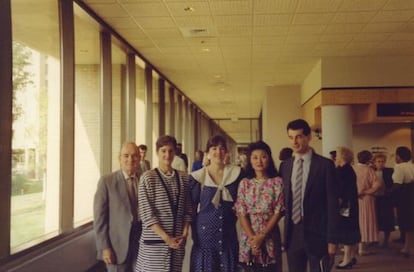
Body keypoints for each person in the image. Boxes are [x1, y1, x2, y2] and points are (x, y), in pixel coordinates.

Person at [279, 119, 339, 272]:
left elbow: (332, 205)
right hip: (293, 235)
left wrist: (332, 239)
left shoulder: (325, 165)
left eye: (299, 136)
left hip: (318, 235)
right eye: (291, 137)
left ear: (309, 137)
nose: (294, 142)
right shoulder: (285, 166)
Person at [136, 135, 192, 272]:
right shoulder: (148, 178)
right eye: (163, 151)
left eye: (171, 151)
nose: (167, 155)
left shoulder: (184, 178)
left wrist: (184, 234)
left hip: (177, 243)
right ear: (157, 152)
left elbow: (188, 210)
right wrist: (166, 238)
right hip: (155, 244)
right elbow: (147, 214)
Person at [189, 135, 244, 272]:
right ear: (207, 153)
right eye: (214, 148)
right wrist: (192, 233)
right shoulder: (198, 177)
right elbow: (191, 208)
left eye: (221, 148)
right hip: (204, 235)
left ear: (226, 152)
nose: (218, 152)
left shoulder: (236, 174)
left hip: (228, 233)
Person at [234, 141, 284, 271]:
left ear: (269, 159)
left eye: (263, 156)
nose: (259, 161)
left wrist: (262, 236)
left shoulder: (277, 182)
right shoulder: (245, 184)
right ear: (250, 161)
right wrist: (253, 239)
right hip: (249, 234)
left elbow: (278, 211)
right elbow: (241, 212)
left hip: (270, 233)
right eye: (255, 157)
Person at [93, 142, 142, 272]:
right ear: (119, 158)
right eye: (126, 156)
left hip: (140, 244)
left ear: (140, 158)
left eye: (134, 156)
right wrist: (104, 247)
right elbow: (99, 219)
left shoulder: (144, 180)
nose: (130, 160)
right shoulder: (106, 181)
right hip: (117, 247)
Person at [335, 147, 360, 269]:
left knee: (346, 232)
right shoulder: (348, 169)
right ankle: (350, 257)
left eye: (337, 154)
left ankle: (346, 260)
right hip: (351, 204)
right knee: (352, 230)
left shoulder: (343, 171)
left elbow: (340, 191)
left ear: (342, 156)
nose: (336, 157)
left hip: (346, 206)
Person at [353, 150, 381, 256]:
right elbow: (377, 185)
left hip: (354, 199)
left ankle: (353, 246)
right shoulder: (369, 170)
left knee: (355, 221)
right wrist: (366, 191)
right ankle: (362, 248)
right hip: (366, 198)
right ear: (369, 159)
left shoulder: (352, 168)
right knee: (365, 222)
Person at [392, 146, 414, 258]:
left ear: (399, 156)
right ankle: (407, 246)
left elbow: (397, 184)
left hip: (404, 197)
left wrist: (388, 192)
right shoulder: (412, 166)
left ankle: (408, 248)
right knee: (411, 222)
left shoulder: (399, 167)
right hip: (411, 195)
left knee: (406, 222)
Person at [372, 153, 394, 248]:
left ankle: (386, 240)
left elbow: (393, 183)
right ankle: (374, 239)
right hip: (374, 198)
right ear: (374, 162)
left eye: (382, 161)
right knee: (374, 219)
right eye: (378, 161)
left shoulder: (389, 171)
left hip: (386, 198)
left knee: (387, 218)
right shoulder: (371, 171)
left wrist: (388, 191)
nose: (380, 163)